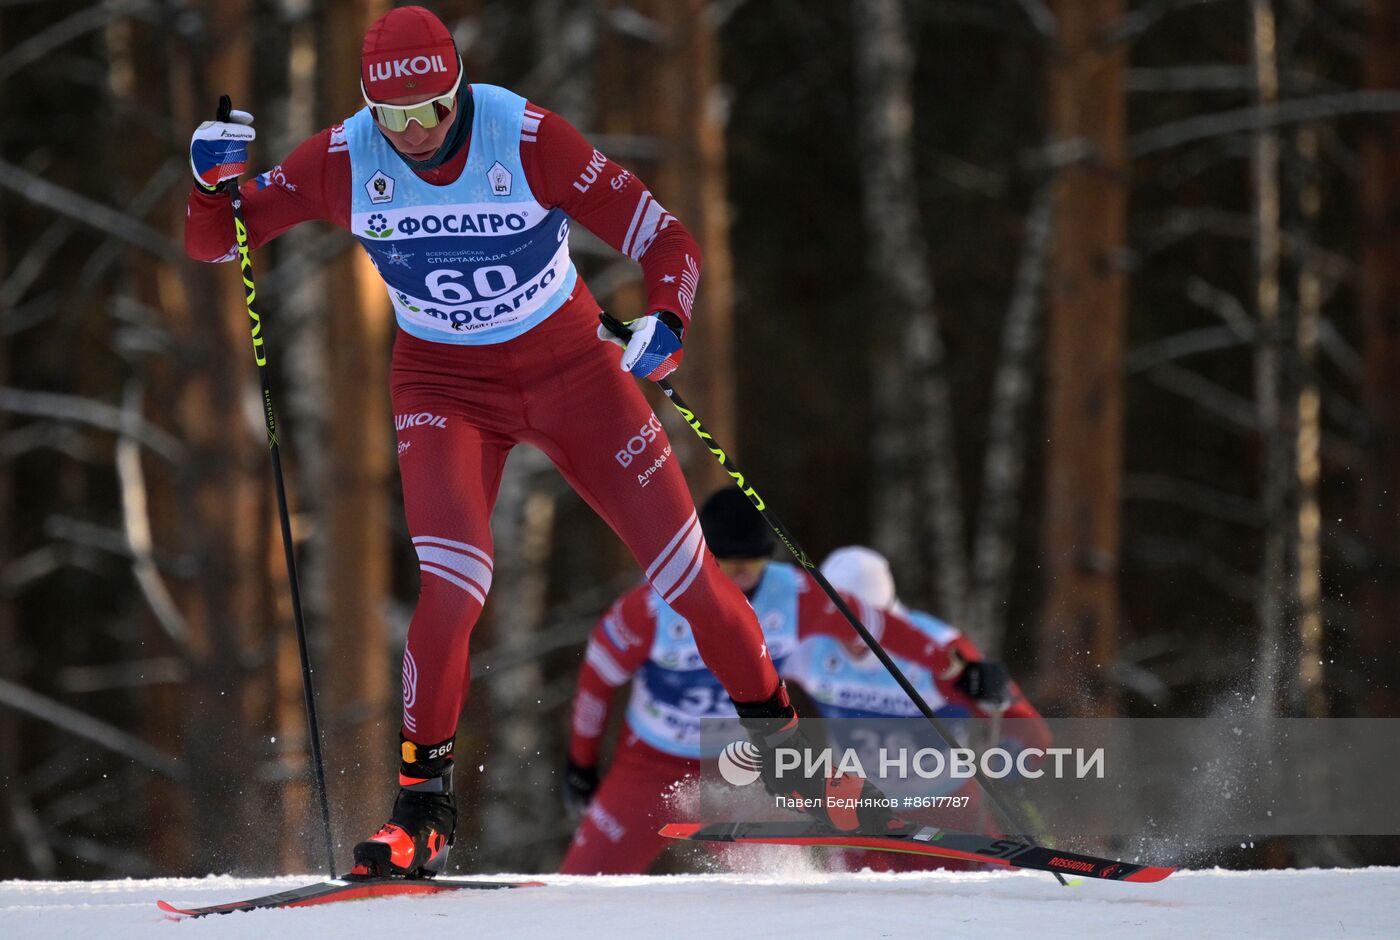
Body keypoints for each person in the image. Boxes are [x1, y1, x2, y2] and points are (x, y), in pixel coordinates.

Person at [184, 6, 883, 878]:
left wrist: (668, 317)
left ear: (460, 91)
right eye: (390, 117)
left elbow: (664, 237)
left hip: (574, 373)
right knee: (452, 586)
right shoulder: (344, 157)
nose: (410, 135)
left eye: (430, 112)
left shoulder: (527, 137)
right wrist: (212, 182)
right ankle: (422, 814)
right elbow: (216, 238)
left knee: (689, 581)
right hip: (443, 387)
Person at [559, 489, 1017, 874]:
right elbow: (596, 682)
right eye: (726, 563)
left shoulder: (793, 595)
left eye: (752, 565)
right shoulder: (650, 608)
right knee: (585, 877)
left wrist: (963, 669)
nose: (739, 576)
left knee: (770, 884)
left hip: (742, 763)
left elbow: (878, 627)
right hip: (652, 761)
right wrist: (580, 763)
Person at [786, 545, 1051, 872]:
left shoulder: (938, 648)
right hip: (863, 816)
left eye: (856, 625)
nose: (844, 638)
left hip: (949, 812)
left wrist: (1011, 770)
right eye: (834, 623)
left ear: (882, 613)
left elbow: (1028, 730)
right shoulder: (809, 645)